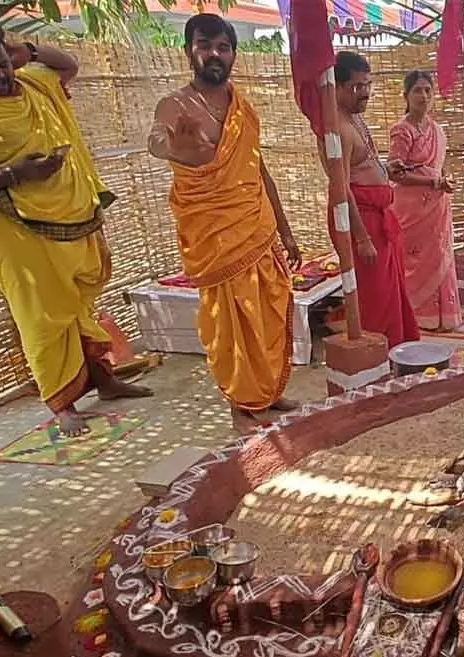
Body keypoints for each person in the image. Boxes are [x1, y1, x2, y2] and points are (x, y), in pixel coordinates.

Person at [0, 16, 151, 437]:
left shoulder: (34, 85)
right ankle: (62, 403)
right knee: (41, 319)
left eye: (2, 63)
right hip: (17, 231)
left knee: (80, 304)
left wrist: (27, 51)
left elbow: (68, 65)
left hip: (74, 215)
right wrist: (15, 174)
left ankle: (105, 381)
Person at [149, 14, 301, 433]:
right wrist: (173, 148)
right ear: (189, 51)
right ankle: (241, 405)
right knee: (232, 324)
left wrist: (285, 229)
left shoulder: (242, 107)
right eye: (204, 45)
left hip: (257, 227)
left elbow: (258, 168)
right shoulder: (175, 105)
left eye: (223, 46)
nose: (214, 53)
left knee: (268, 313)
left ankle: (267, 393)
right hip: (215, 237)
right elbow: (157, 140)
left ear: (233, 54)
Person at [331, 51, 420, 348]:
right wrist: (361, 238)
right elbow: (341, 188)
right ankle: (377, 357)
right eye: (357, 86)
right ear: (337, 87)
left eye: (367, 84)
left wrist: (385, 170)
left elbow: (364, 165)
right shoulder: (337, 129)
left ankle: (397, 351)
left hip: (379, 218)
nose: (365, 92)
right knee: (375, 298)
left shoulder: (355, 118)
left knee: (392, 290)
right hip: (362, 223)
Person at [389, 71, 462, 332]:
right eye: (418, 90)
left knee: (440, 255)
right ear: (406, 96)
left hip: (437, 205)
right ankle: (418, 317)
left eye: (428, 90)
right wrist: (432, 182)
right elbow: (395, 173)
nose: (424, 96)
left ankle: (443, 317)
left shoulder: (437, 130)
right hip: (411, 208)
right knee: (415, 261)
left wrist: (444, 181)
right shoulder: (402, 130)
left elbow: (439, 168)